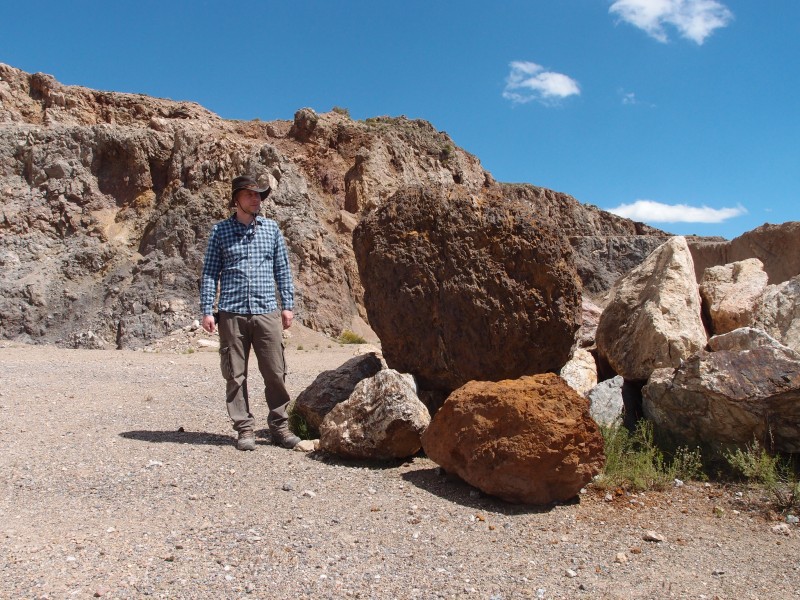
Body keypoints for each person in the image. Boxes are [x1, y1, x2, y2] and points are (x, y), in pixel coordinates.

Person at [200, 174, 300, 451]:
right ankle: (244, 429)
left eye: (259, 195)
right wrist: (208, 310)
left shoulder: (272, 230)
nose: (256, 199)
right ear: (236, 199)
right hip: (231, 312)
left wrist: (288, 305)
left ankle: (279, 427)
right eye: (250, 195)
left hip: (267, 310)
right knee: (235, 374)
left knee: (275, 372)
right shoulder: (220, 231)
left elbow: (282, 270)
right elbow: (209, 273)